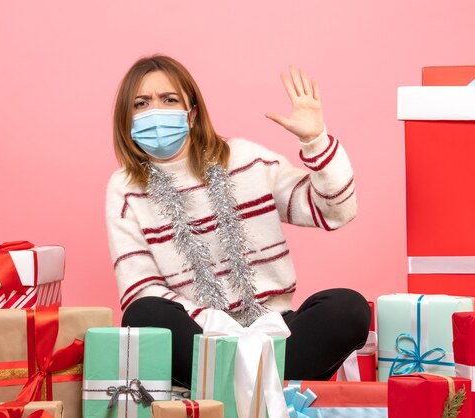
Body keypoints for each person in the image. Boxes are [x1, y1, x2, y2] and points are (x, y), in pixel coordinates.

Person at [106, 55, 370, 388]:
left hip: (276, 332)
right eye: (141, 103)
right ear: (127, 119)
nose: (155, 111)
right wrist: (219, 328)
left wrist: (315, 140)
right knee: (143, 314)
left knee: (349, 308)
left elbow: (335, 210)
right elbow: (140, 288)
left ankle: (228, 385)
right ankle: (265, 383)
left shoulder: (248, 158)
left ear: (192, 114)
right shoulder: (124, 188)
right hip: (200, 337)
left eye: (169, 100)